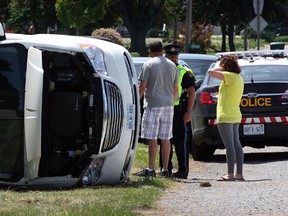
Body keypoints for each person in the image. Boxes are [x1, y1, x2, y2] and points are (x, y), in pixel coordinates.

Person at [134, 40, 179, 177]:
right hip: (168, 105)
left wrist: (136, 102)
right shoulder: (172, 65)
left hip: (153, 104)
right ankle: (165, 169)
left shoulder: (149, 64)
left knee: (152, 138)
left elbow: (142, 87)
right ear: (162, 51)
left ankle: (151, 168)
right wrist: (171, 101)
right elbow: (175, 89)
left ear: (150, 52)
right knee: (166, 138)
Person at [159, 44, 196, 179]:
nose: (173, 58)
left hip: (179, 111)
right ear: (165, 56)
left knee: (180, 142)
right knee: (164, 139)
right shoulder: (161, 70)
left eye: (175, 56)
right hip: (164, 109)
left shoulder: (184, 72)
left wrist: (189, 111)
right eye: (170, 56)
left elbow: (192, 93)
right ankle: (165, 169)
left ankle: (182, 171)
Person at [208, 55, 245, 181]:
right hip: (235, 114)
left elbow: (210, 72)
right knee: (236, 144)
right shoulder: (239, 78)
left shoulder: (229, 76)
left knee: (229, 145)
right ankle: (239, 173)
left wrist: (221, 67)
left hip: (226, 115)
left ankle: (229, 174)